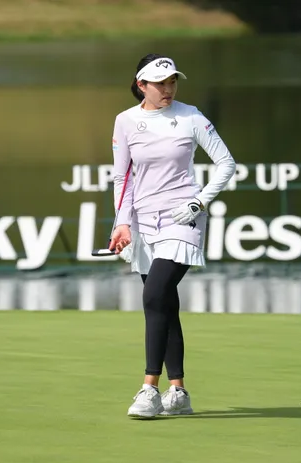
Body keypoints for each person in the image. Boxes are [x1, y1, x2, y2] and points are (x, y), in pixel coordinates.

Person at [108, 53, 236, 418]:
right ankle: (178, 391)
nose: (168, 89)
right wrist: (122, 222)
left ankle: (149, 389)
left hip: (184, 217)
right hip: (144, 222)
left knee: (153, 295)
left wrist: (199, 201)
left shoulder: (191, 116)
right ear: (141, 85)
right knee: (164, 303)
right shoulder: (126, 121)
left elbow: (226, 163)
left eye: (172, 82)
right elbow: (123, 177)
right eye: (160, 83)